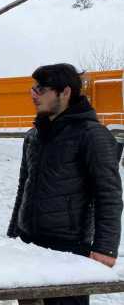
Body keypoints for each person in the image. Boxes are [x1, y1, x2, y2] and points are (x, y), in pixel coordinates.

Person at [7, 63, 123, 305]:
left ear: (65, 92)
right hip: (29, 244)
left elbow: (109, 194)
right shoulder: (33, 136)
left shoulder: (92, 135)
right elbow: (23, 187)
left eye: (41, 89)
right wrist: (13, 234)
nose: (33, 95)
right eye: (33, 88)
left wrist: (105, 247)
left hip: (69, 250)